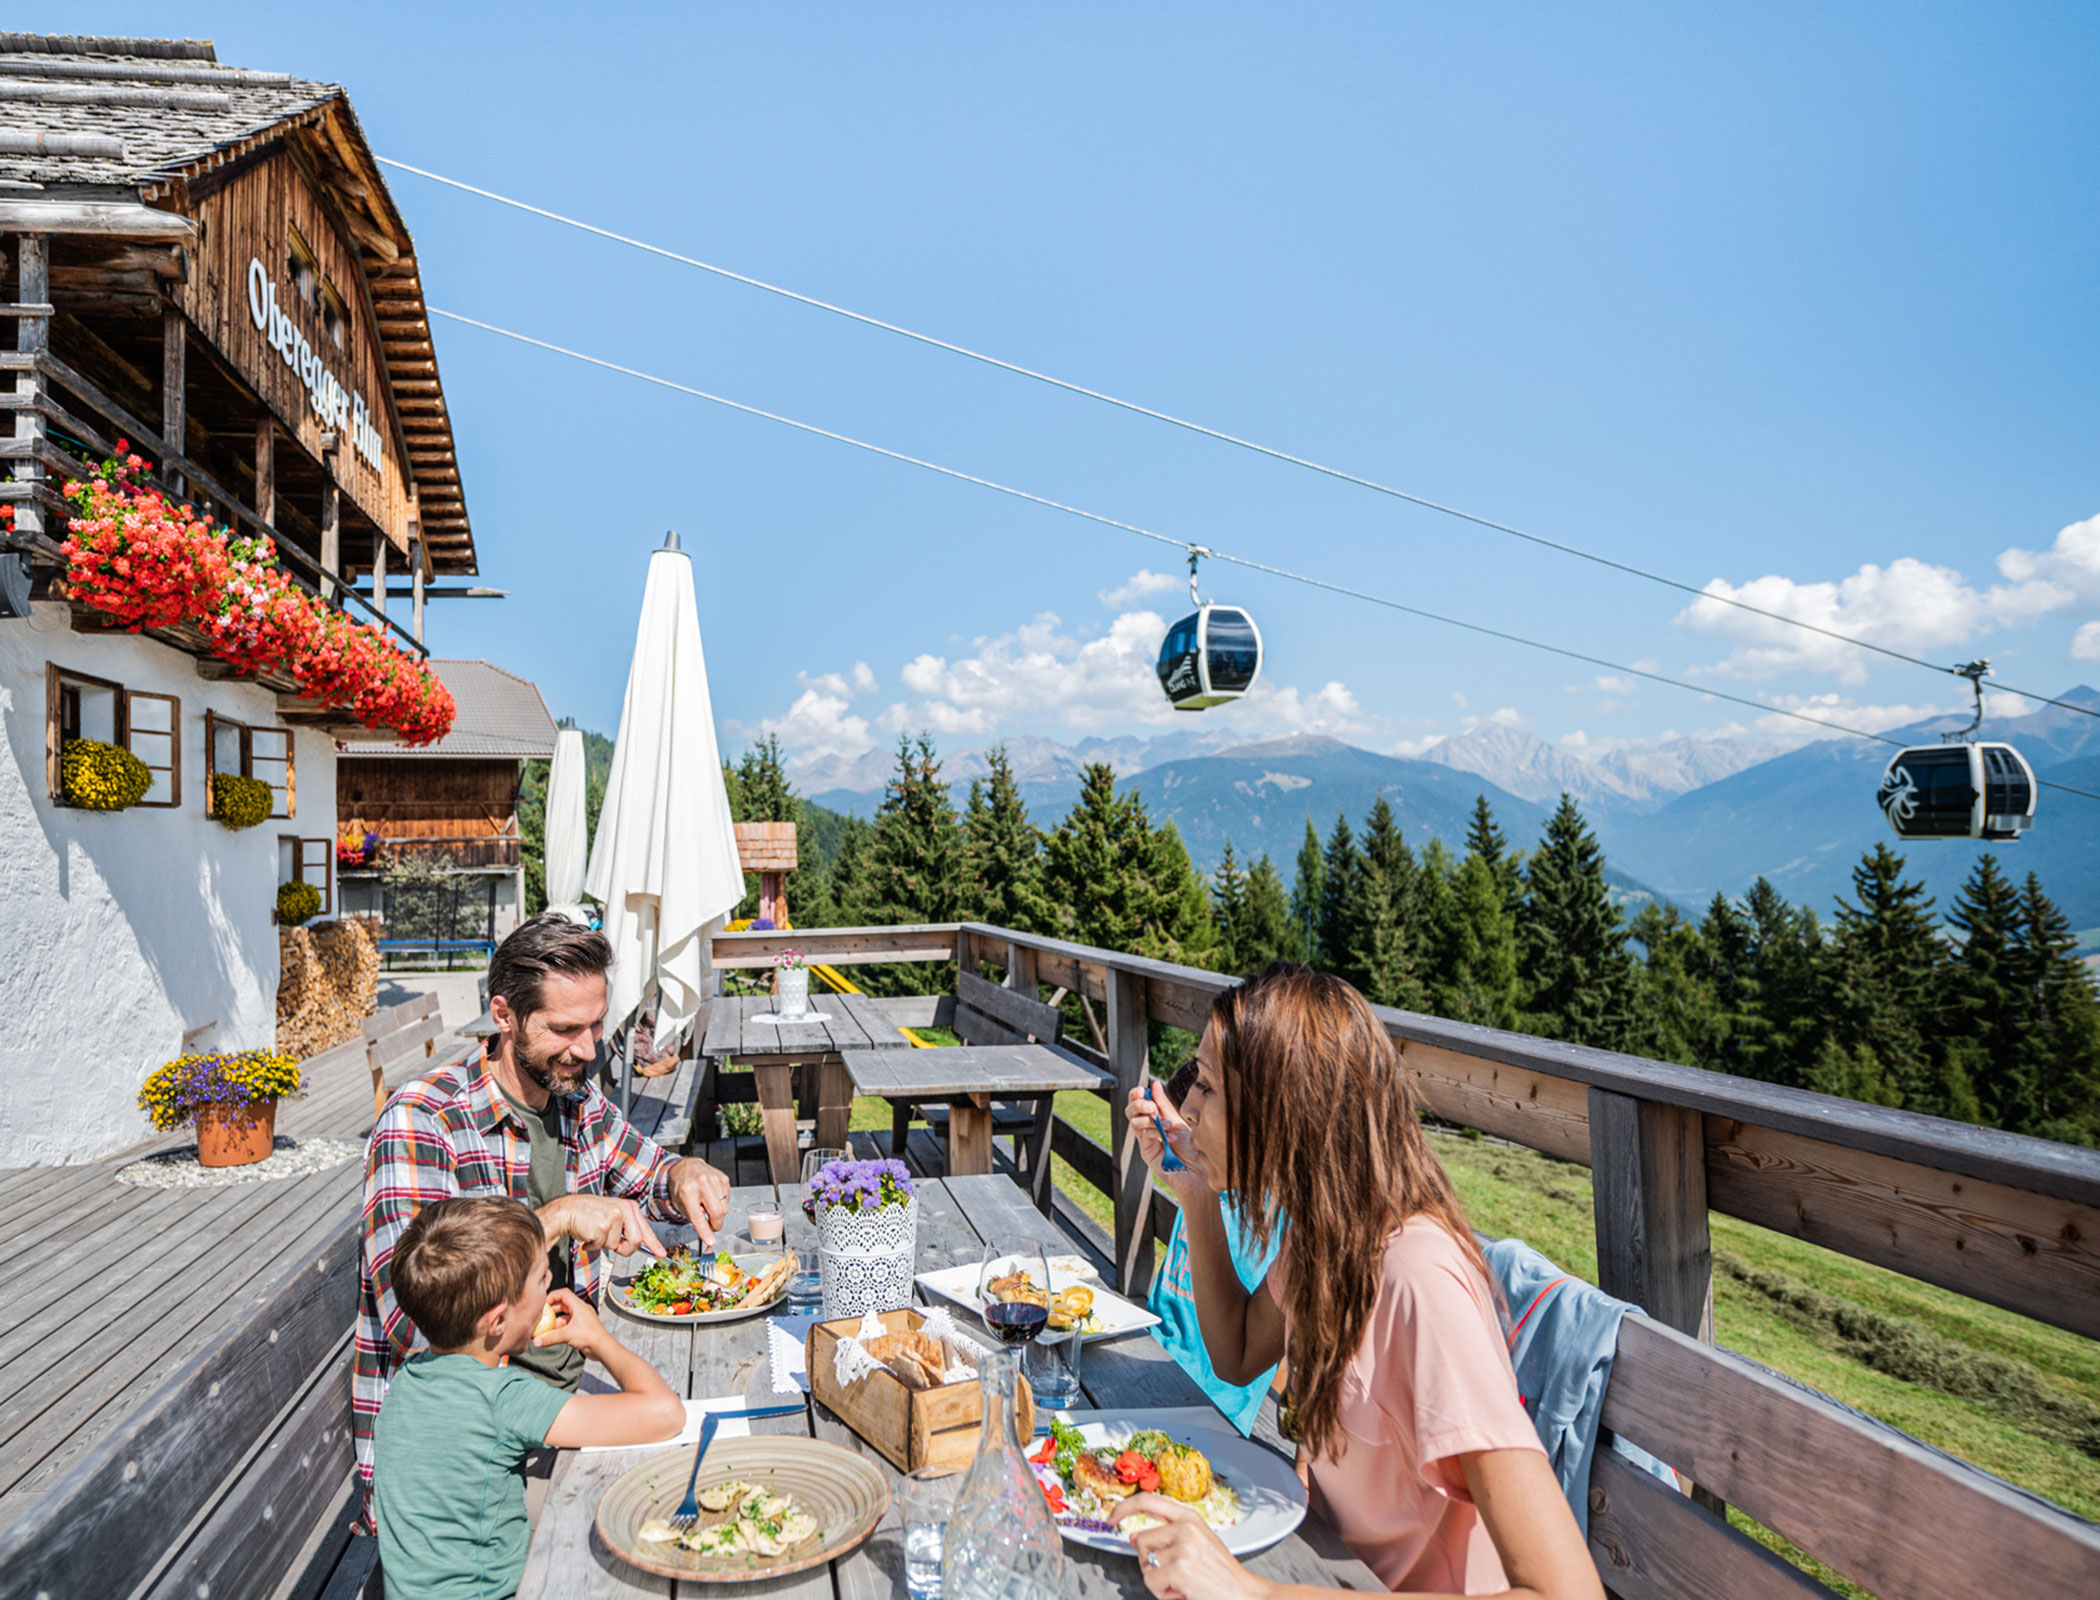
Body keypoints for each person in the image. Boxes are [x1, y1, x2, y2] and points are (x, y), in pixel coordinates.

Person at [1115, 964, 1602, 1600]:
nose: (1188, 1110)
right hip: (1316, 1565)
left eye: (1205, 1087)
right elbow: (1235, 1357)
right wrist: (1196, 1190)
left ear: (1283, 1113)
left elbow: (1568, 1593)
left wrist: (1254, 1593)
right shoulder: (1326, 1236)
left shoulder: (1417, 1280)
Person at [354, 913, 732, 1520]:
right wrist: (552, 1219)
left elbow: (651, 1175)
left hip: (566, 1400)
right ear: (503, 1016)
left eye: (597, 1024)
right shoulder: (422, 1122)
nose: (587, 1049)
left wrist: (682, 1174)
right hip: (472, 1464)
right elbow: (414, 1323)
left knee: (722, 1479)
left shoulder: (573, 1097)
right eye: (565, 1028)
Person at [373, 1195, 685, 1600]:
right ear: (498, 1320)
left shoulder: (407, 1381)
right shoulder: (502, 1399)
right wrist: (598, 1339)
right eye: (542, 1279)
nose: (550, 1288)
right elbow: (664, 1412)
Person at [1146, 1062, 1281, 1436]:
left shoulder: (1276, 1209)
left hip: (1215, 1403)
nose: (1187, 1113)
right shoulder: (1201, 1185)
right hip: (1154, 1352)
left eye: (1206, 1091)